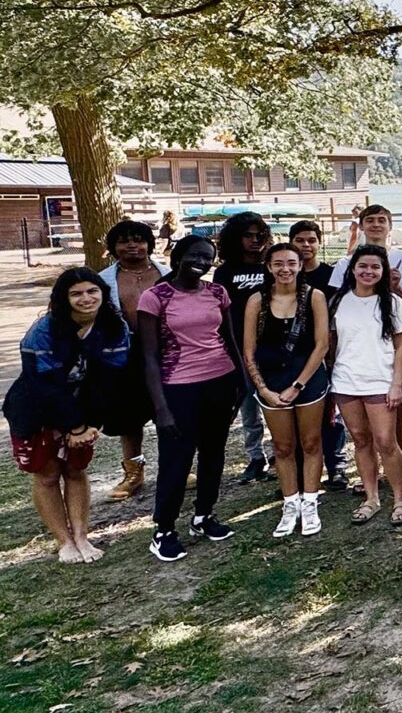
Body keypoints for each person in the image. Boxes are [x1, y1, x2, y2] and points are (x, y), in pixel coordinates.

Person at [4, 269, 128, 563]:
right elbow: (45, 385)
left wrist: (90, 425)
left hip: (83, 411)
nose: (86, 298)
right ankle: (64, 541)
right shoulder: (43, 331)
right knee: (47, 475)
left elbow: (110, 378)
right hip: (37, 408)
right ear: (64, 298)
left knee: (76, 470)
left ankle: (82, 536)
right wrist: (74, 426)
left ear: (103, 293)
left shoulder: (114, 326)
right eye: (76, 293)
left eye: (92, 291)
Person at [139, 236, 244, 562]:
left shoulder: (217, 293)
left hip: (220, 382)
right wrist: (161, 408)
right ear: (178, 256)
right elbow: (150, 357)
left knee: (213, 454)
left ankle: (203, 515)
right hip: (178, 388)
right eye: (194, 255)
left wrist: (241, 382)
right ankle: (164, 529)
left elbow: (229, 340)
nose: (201, 262)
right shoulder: (155, 297)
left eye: (208, 257)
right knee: (177, 460)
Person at [329, 205, 402, 478]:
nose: (375, 225)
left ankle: (400, 468)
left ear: (390, 225)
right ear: (361, 226)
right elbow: (337, 310)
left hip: (394, 346)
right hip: (355, 353)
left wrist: (396, 289)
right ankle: (370, 478)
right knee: (363, 428)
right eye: (369, 220)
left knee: (397, 413)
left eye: (381, 220)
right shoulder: (345, 264)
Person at [242, 243, 331, 538]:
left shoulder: (314, 297)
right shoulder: (257, 301)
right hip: (271, 383)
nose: (285, 269)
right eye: (278, 263)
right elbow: (249, 350)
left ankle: (310, 501)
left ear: (300, 265)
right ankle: (290, 502)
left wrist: (298, 385)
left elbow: (322, 345)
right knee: (282, 447)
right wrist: (263, 389)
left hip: (307, 380)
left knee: (311, 443)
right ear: (268, 267)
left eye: (291, 263)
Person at [328, 245, 402, 527]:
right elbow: (332, 343)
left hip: (380, 380)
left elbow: (401, 346)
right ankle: (371, 497)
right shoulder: (339, 300)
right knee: (361, 440)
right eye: (363, 266)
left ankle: (400, 499)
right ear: (352, 269)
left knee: (387, 442)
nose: (369, 272)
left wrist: (396, 383)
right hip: (345, 381)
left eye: (375, 267)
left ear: (384, 271)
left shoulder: (393, 302)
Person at [98, 220, 166, 501]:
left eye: (138, 240)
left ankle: (175, 465)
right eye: (124, 241)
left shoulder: (168, 274)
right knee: (129, 419)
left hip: (166, 352)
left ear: (149, 244)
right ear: (114, 247)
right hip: (123, 354)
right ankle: (133, 473)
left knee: (169, 411)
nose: (132, 246)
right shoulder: (102, 280)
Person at [213, 213, 271, 485]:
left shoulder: (272, 265)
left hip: (273, 346)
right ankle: (256, 456)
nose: (255, 241)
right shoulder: (225, 272)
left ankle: (285, 453)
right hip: (238, 346)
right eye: (249, 235)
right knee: (248, 405)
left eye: (260, 235)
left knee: (277, 402)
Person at [290, 220, 345, 491]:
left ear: (319, 243)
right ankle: (300, 470)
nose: (306, 246)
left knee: (331, 412)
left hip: (327, 347)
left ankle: (336, 467)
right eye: (300, 240)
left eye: (311, 240)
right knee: (298, 414)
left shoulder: (331, 275)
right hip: (293, 353)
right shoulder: (287, 274)